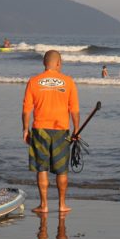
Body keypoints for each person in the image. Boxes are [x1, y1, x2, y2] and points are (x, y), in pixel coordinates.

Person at [22, 50, 80, 213]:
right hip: (61, 130)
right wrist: (76, 129)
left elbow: (26, 110)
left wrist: (25, 130)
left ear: (44, 64)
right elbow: (74, 110)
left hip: (40, 130)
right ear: (58, 63)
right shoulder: (68, 82)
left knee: (42, 169)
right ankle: (62, 205)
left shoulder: (33, 81)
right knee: (61, 170)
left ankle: (44, 205)